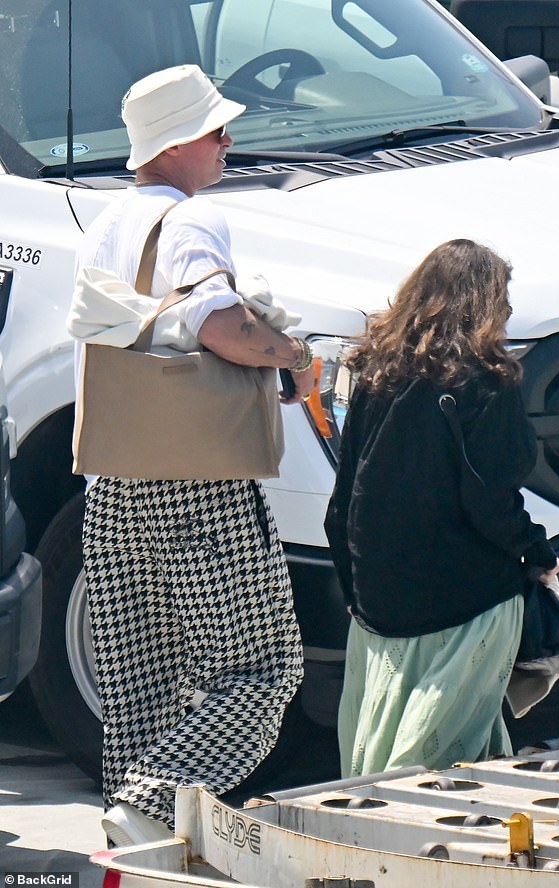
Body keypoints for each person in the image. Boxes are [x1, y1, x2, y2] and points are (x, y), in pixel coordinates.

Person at [72, 64, 312, 845]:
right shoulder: (189, 221)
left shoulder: (107, 224)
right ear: (178, 143)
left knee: (143, 687)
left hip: (113, 481)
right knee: (259, 672)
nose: (228, 143)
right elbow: (218, 323)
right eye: (216, 131)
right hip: (198, 481)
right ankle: (150, 801)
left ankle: (141, 844)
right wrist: (292, 357)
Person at [324, 239, 559, 778]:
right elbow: (489, 498)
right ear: (485, 304)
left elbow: (344, 499)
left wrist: (353, 590)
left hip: (381, 598)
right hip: (463, 596)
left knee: (381, 745)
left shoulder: (375, 373)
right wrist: (537, 554)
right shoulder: (484, 380)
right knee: (440, 756)